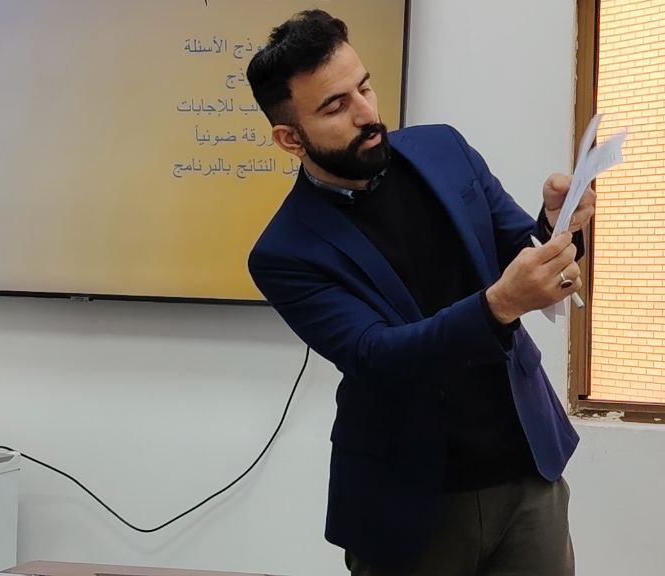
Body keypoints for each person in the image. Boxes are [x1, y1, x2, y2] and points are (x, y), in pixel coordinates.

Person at [245, 10, 593, 576]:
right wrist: (500, 304)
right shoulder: (286, 251)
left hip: (527, 469)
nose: (367, 114)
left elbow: (517, 247)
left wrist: (560, 225)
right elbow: (378, 355)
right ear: (290, 138)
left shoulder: (443, 149)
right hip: (408, 502)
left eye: (364, 87)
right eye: (335, 106)